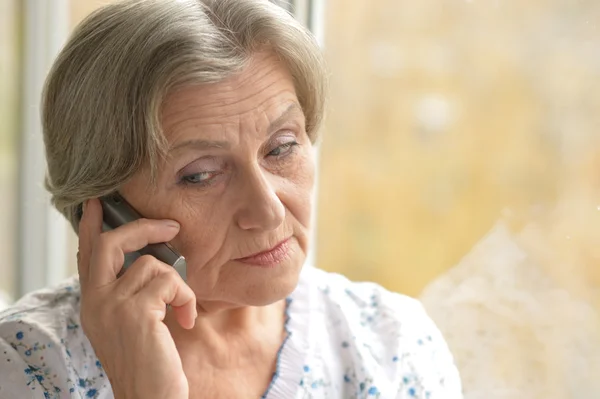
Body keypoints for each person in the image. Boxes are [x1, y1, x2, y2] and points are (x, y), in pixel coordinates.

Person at [0, 0, 462, 398]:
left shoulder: (390, 343)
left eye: (281, 148)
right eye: (200, 176)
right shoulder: (27, 367)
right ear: (106, 210)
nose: (269, 210)